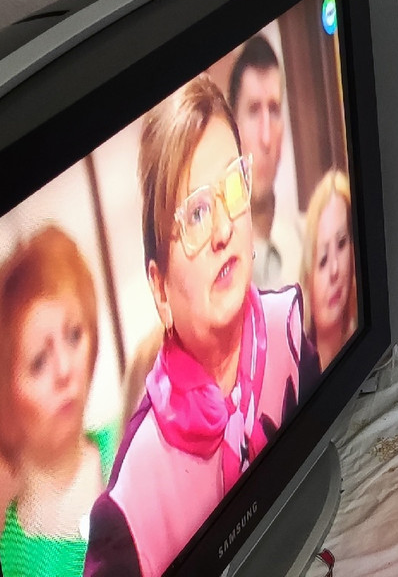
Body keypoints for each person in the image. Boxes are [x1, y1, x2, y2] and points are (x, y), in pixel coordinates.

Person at [85, 76, 317, 577]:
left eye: (232, 187)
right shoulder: (131, 502)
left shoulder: (288, 329)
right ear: (160, 290)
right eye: (195, 214)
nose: (224, 230)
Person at [0, 225, 117, 577]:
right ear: (5, 396)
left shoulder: (130, 441)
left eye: (74, 335)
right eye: (39, 361)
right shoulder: (11, 562)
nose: (65, 369)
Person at [227, 35, 301, 291]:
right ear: (233, 127)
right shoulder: (219, 257)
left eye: (274, 110)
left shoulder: (305, 242)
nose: (266, 138)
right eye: (253, 111)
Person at [300, 170, 358, 371]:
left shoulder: (367, 342)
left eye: (342, 244)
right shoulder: (298, 374)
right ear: (308, 278)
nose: (335, 269)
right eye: (323, 260)